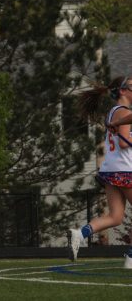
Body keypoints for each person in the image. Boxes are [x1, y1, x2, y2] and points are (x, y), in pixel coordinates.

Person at [68, 75, 132, 268]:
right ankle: (131, 256)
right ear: (122, 90)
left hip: (111, 169)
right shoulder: (122, 112)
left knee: (115, 216)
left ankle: (80, 234)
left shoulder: (116, 112)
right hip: (125, 170)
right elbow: (123, 142)